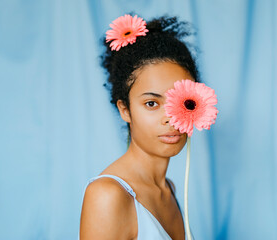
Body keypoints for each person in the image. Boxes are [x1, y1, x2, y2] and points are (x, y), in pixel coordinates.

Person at [79, 14, 199, 240]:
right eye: (152, 103)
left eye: (182, 101)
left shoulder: (169, 189)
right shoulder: (108, 195)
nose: (171, 118)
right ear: (125, 109)